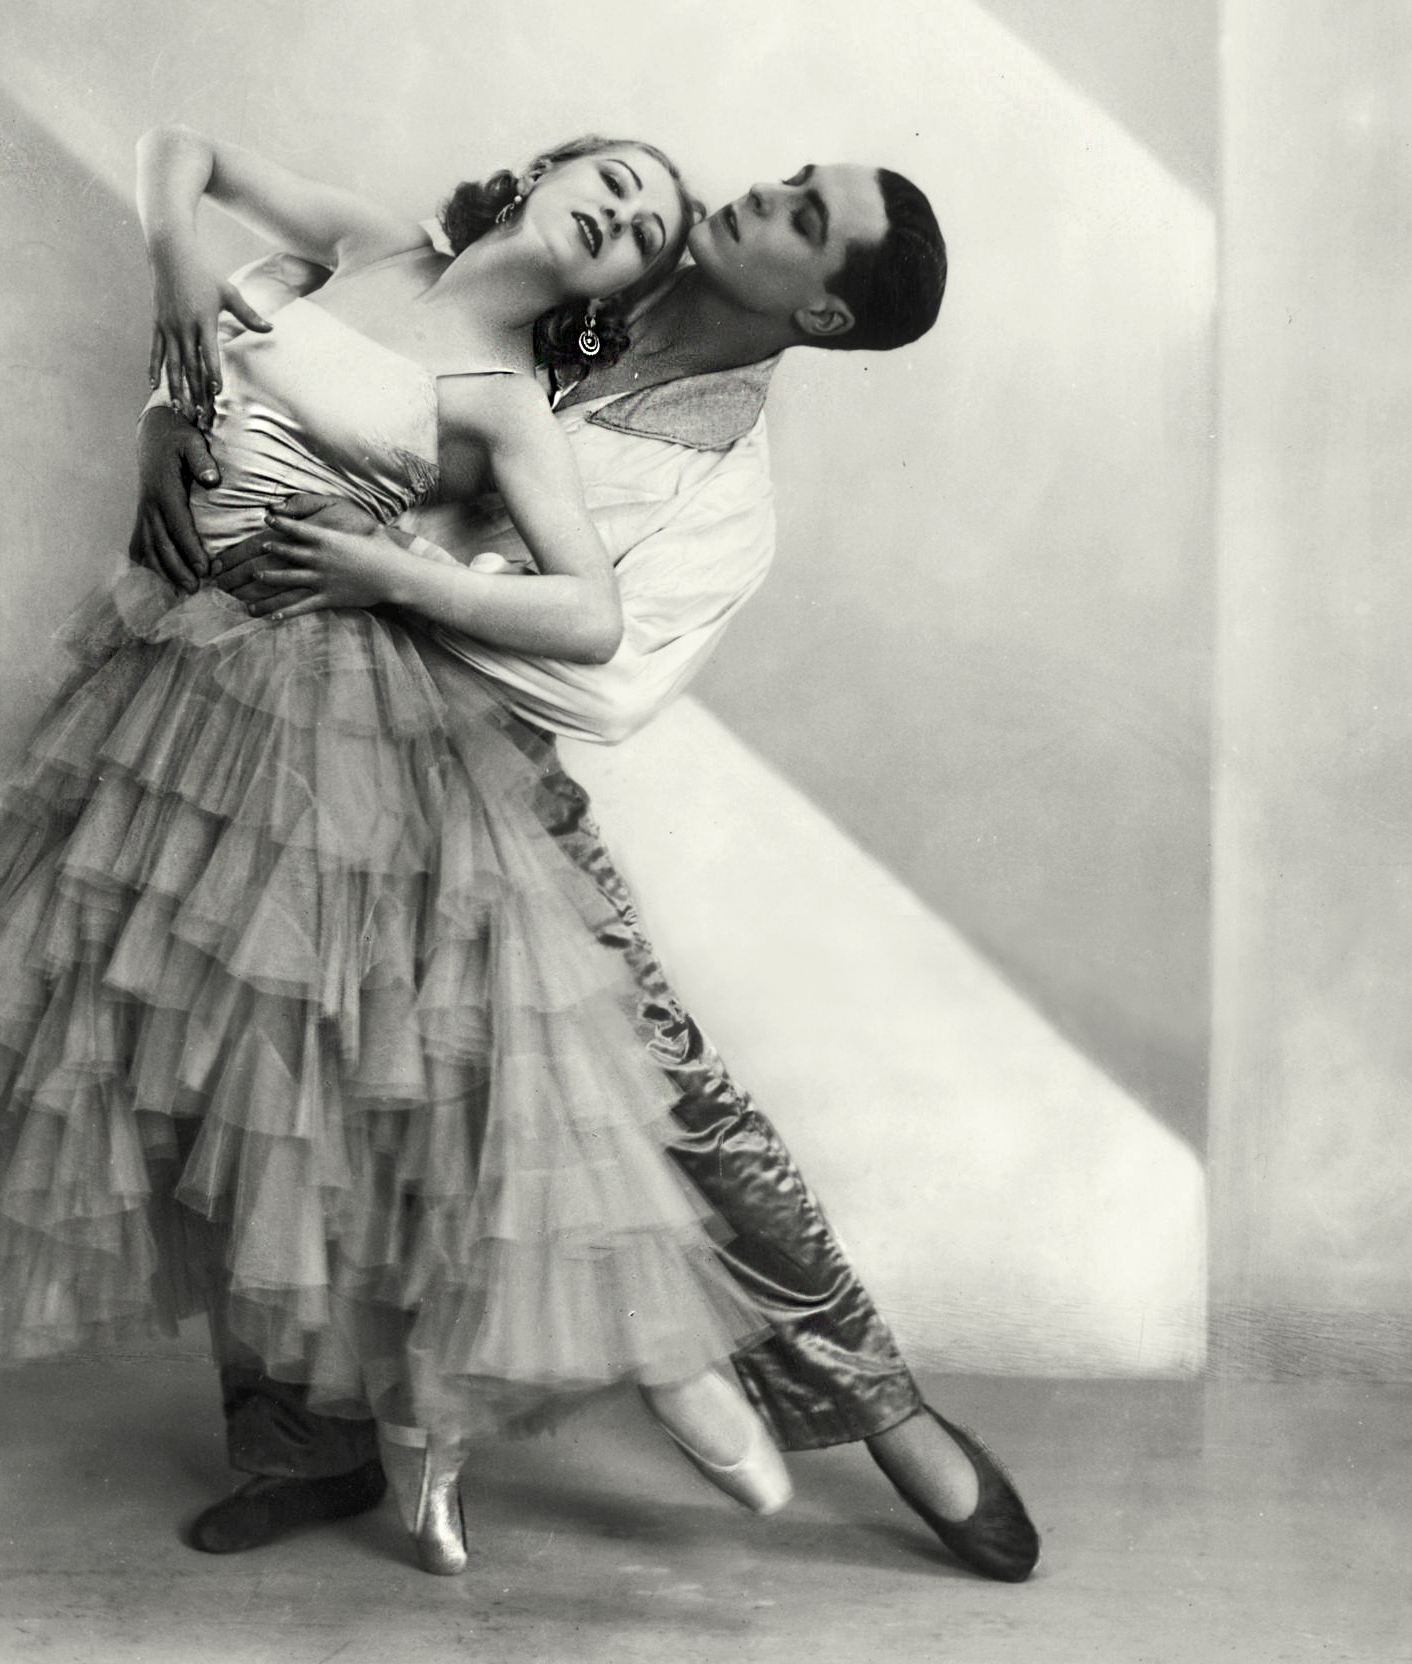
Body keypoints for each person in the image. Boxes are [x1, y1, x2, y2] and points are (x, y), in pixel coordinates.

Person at [0, 127, 796, 1580]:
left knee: (342, 1071)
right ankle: (295, 1446)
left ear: (620, 286)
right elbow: (180, 150)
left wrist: (391, 570)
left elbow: (590, 618)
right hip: (171, 680)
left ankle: (440, 1413)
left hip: (338, 709)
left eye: (643, 231)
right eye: (608, 183)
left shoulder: (511, 399)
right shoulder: (380, 247)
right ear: (536, 177)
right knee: (202, 1066)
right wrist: (171, 337)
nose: (617, 216)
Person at [133, 150, 1043, 1583]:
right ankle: (304, 1446)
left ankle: (890, 1418)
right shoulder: (587, 241)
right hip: (272, 719)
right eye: (797, 174)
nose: (766, 194)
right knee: (260, 1063)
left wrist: (406, 576)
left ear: (816, 317)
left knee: (665, 1103)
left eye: (807, 220)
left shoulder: (723, 492)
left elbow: (608, 690)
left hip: (475, 775)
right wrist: (167, 425)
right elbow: (277, 331)